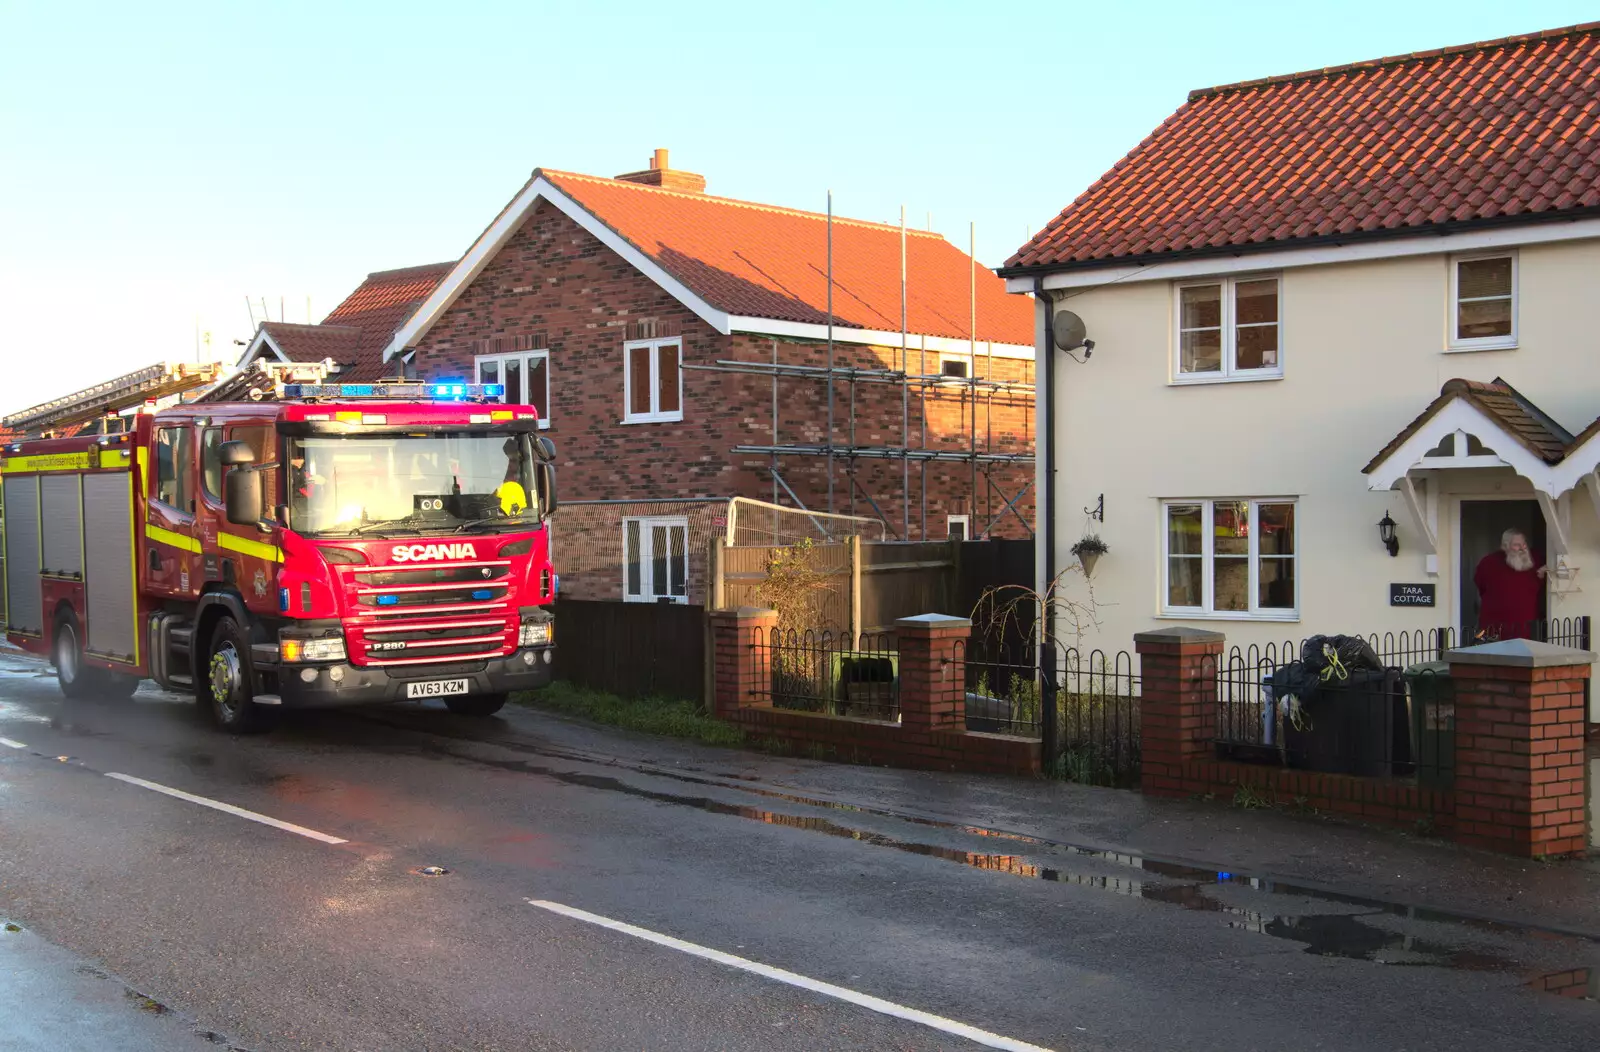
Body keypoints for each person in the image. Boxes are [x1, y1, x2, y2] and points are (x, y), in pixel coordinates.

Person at [1473, 528, 1547, 641]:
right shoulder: (1489, 562)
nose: (1522, 548)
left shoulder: (1535, 560)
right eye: (1517, 545)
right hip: (1496, 624)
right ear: (1505, 546)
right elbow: (1480, 585)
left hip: (1526, 625)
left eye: (1524, 544)